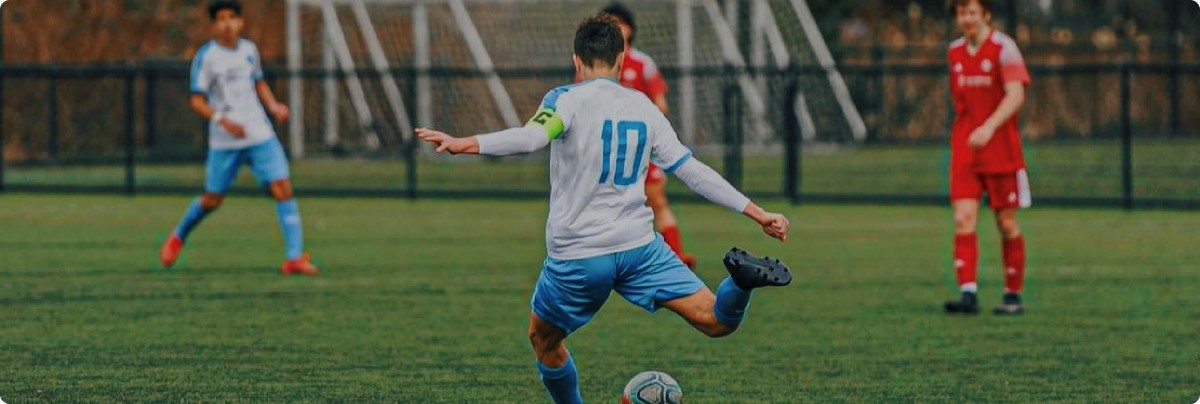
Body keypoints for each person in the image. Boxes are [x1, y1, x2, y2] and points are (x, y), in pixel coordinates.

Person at [416, 14, 792, 403]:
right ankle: (740, 284)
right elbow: (691, 171)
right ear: (622, 57)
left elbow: (531, 138)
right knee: (715, 319)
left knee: (544, 341)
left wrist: (465, 143)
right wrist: (757, 212)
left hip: (579, 254)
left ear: (576, 60)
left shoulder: (565, 99)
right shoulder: (644, 107)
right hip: (639, 247)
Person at [158, 0, 319, 276]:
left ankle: (294, 257)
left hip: (259, 134)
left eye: (232, 17)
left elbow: (259, 82)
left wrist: (274, 106)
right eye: (221, 19)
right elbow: (197, 101)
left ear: (241, 22)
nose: (228, 24)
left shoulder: (249, 50)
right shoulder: (207, 57)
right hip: (225, 141)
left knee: (282, 187)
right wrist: (223, 121)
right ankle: (178, 235)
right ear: (214, 25)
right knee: (212, 199)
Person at [942, 0, 1030, 315]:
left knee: (1006, 222)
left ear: (986, 15)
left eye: (972, 12)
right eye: (961, 13)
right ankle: (968, 294)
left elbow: (1016, 94)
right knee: (963, 218)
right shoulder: (954, 52)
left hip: (1000, 147)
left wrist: (989, 127)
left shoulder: (1004, 48)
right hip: (966, 147)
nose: (966, 18)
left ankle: (1012, 295)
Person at [601, 2, 696, 268]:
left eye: (619, 23)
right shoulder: (596, 64)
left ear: (630, 29)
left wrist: (641, 121)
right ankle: (610, 260)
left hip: (640, 148)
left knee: (657, 200)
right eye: (609, 23)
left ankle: (676, 259)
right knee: (606, 206)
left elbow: (661, 104)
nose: (616, 28)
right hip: (607, 149)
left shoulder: (642, 63)